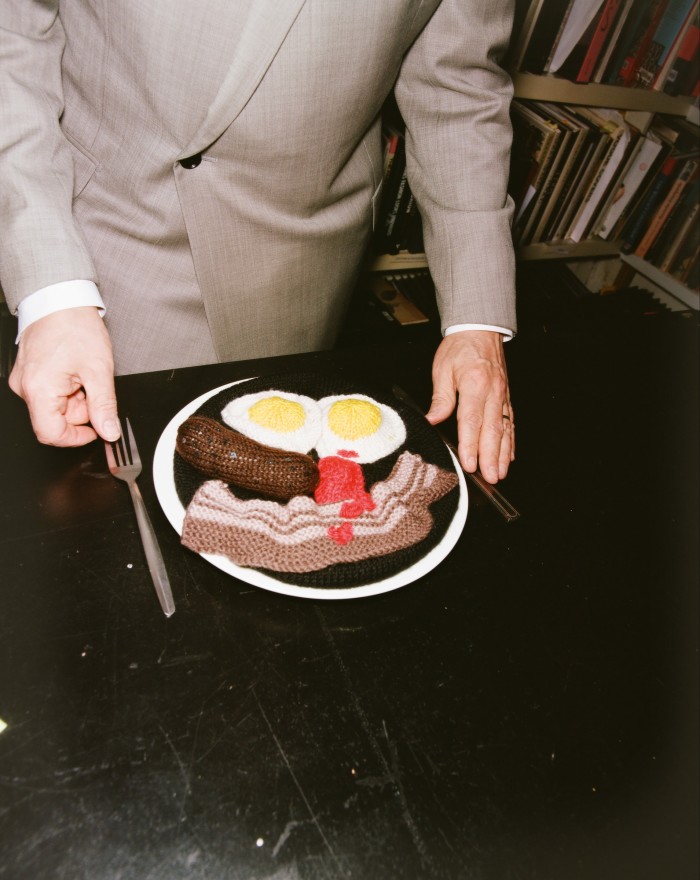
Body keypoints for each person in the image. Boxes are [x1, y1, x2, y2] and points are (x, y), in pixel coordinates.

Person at [0, 0, 516, 484]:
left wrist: (476, 317)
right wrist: (53, 286)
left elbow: (459, 89)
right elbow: (14, 32)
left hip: (304, 254)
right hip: (108, 234)